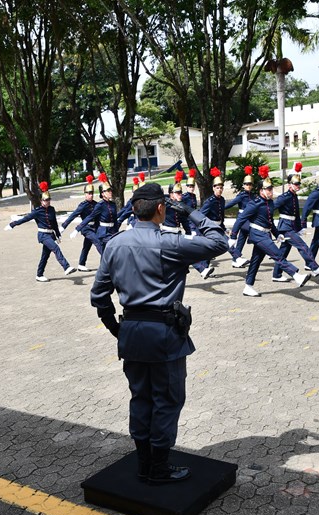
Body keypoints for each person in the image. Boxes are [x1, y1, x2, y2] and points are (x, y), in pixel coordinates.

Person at [90, 182, 228, 484]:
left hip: (132, 333)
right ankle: (159, 467)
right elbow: (220, 243)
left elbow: (99, 296)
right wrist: (193, 213)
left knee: (140, 398)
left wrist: (117, 328)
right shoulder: (170, 242)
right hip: (164, 335)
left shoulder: (114, 244)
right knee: (166, 399)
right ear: (161, 209)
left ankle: (143, 462)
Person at [240, 172, 312, 297]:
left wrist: (277, 234)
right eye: (268, 189)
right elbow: (241, 218)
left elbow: (270, 223)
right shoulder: (255, 203)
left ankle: (248, 286)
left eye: (271, 188)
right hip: (258, 235)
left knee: (256, 261)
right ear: (261, 190)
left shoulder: (270, 203)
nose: (271, 191)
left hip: (265, 234)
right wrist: (233, 236)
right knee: (277, 255)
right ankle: (296, 276)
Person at [5, 182, 77, 282]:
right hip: (43, 235)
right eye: (46, 200)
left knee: (45, 256)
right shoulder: (37, 211)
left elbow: (54, 223)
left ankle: (39, 274)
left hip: (51, 235)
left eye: (49, 199)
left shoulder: (52, 209)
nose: (48, 201)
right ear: (41, 201)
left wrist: (58, 235)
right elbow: (25, 219)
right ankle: (66, 267)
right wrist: (12, 224)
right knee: (55, 248)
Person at [272, 164, 319, 282]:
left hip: (291, 226)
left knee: (283, 251)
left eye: (298, 184)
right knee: (302, 246)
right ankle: (314, 267)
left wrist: (300, 228)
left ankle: (276, 274)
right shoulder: (284, 197)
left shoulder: (294, 197)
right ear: (289, 185)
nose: (298, 186)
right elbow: (270, 209)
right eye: (295, 184)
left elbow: (296, 215)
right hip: (285, 227)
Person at [163, 175, 214, 279]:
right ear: (171, 194)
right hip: (167, 234)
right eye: (177, 193)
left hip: (176, 234)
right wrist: (169, 200)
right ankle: (202, 269)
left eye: (180, 192)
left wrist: (190, 232)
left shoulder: (180, 205)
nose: (180, 195)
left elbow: (184, 220)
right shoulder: (166, 204)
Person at [61, 176, 101, 271]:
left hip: (94, 227)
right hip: (86, 228)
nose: (90, 195)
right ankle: (107, 262)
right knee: (97, 242)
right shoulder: (82, 205)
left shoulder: (96, 204)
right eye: (88, 193)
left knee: (87, 246)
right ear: (85, 194)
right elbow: (72, 216)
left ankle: (81, 264)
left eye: (91, 193)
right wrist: (63, 226)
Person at [76, 173, 118, 253]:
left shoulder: (113, 204)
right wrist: (77, 229)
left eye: (110, 190)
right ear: (102, 193)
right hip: (103, 233)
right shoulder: (100, 205)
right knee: (109, 250)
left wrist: (116, 232)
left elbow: (115, 220)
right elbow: (90, 217)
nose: (110, 192)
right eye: (108, 191)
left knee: (108, 252)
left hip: (112, 231)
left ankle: (105, 265)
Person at [226, 166, 255, 268]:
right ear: (243, 185)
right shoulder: (241, 195)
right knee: (251, 230)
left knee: (241, 240)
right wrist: (220, 209)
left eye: (250, 184)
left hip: (250, 218)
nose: (248, 186)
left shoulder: (254, 195)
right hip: (242, 219)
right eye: (246, 184)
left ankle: (235, 260)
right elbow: (231, 204)